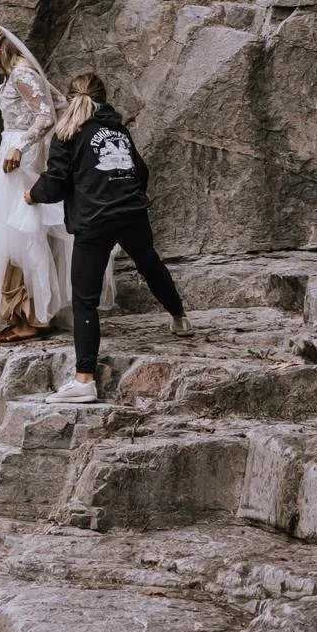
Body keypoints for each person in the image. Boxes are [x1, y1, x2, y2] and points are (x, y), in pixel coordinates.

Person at [25, 71, 191, 402]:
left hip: (94, 220)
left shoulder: (67, 133)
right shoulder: (117, 129)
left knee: (84, 298)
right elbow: (141, 172)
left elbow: (55, 183)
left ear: (71, 97)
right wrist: (126, 196)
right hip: (131, 212)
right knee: (149, 263)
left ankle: (84, 380)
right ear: (103, 96)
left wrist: (33, 194)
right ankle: (179, 318)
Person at [0, 22, 71, 344]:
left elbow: (47, 116)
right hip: (15, 157)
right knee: (17, 234)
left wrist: (22, 146)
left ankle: (32, 316)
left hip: (21, 160)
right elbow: (61, 103)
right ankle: (28, 310)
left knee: (25, 234)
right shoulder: (15, 74)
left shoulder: (22, 73)